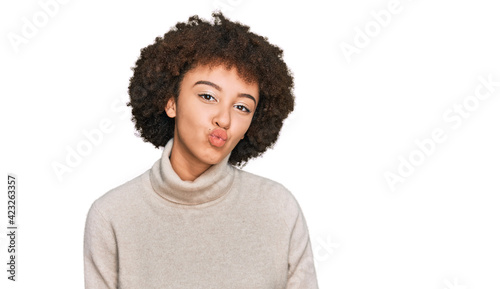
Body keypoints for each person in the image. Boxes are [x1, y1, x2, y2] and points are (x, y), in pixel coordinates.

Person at [84, 12, 319, 289]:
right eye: (208, 96)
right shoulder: (112, 216)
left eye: (242, 107)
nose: (224, 119)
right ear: (170, 102)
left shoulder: (279, 209)